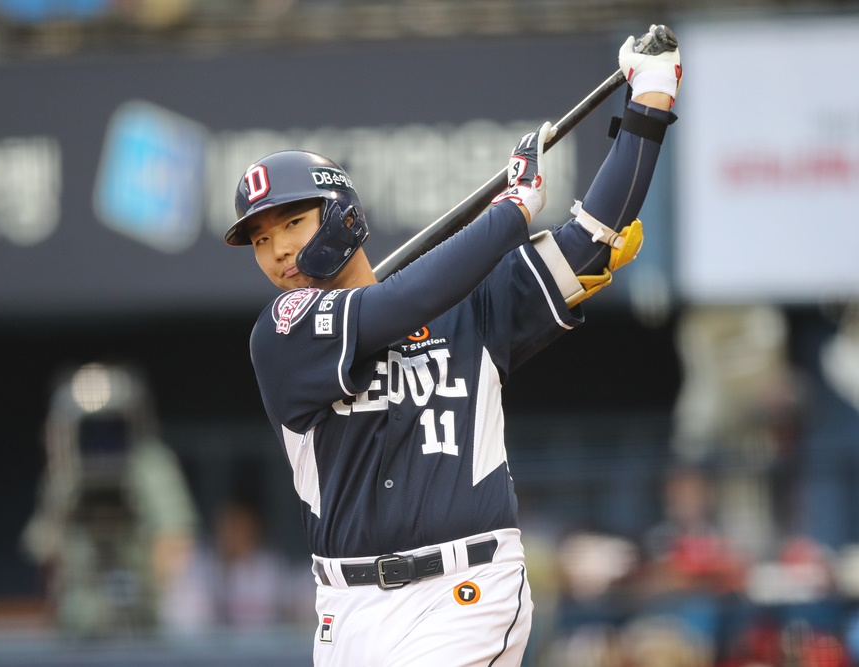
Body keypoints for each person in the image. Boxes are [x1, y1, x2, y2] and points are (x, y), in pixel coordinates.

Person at [224, 29, 681, 666]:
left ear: (342, 216)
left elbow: (592, 239)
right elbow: (397, 306)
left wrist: (650, 99)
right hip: (347, 611)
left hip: (465, 592)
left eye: (292, 222)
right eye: (258, 239)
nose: (276, 250)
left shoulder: (471, 306)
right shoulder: (283, 332)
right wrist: (510, 211)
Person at [21, 361, 199, 639]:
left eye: (111, 426)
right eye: (92, 428)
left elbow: (176, 536)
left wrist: (155, 586)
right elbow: (46, 547)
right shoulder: (66, 471)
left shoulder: (150, 465)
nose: (102, 438)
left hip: (139, 618)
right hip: (79, 618)